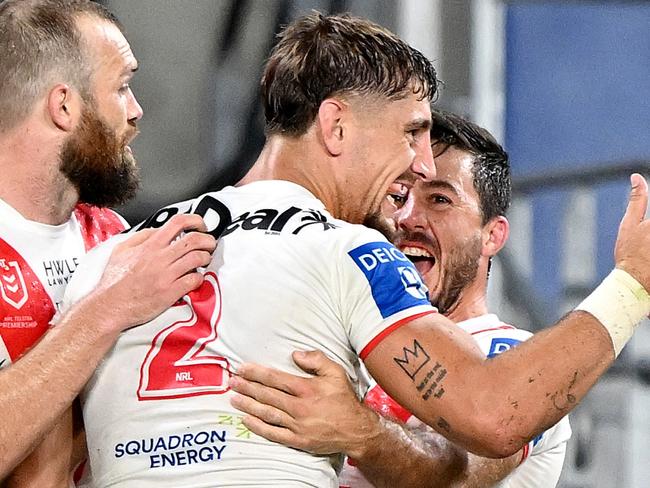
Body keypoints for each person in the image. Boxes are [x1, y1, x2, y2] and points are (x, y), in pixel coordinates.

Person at [59, 12, 650, 488]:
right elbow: (496, 412)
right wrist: (633, 281)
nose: (419, 162)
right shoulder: (348, 253)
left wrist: (366, 435)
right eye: (410, 132)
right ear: (336, 126)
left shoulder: (113, 259)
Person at [231, 110, 571, 488]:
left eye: (439, 199)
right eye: (400, 194)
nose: (408, 217)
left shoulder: (516, 367)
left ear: (492, 235)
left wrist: (361, 432)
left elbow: (457, 479)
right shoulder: (345, 352)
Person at [0, 0, 215, 484]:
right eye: (121, 87)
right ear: (64, 106)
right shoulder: (124, 279)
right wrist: (109, 308)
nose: (137, 112)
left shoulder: (117, 239)